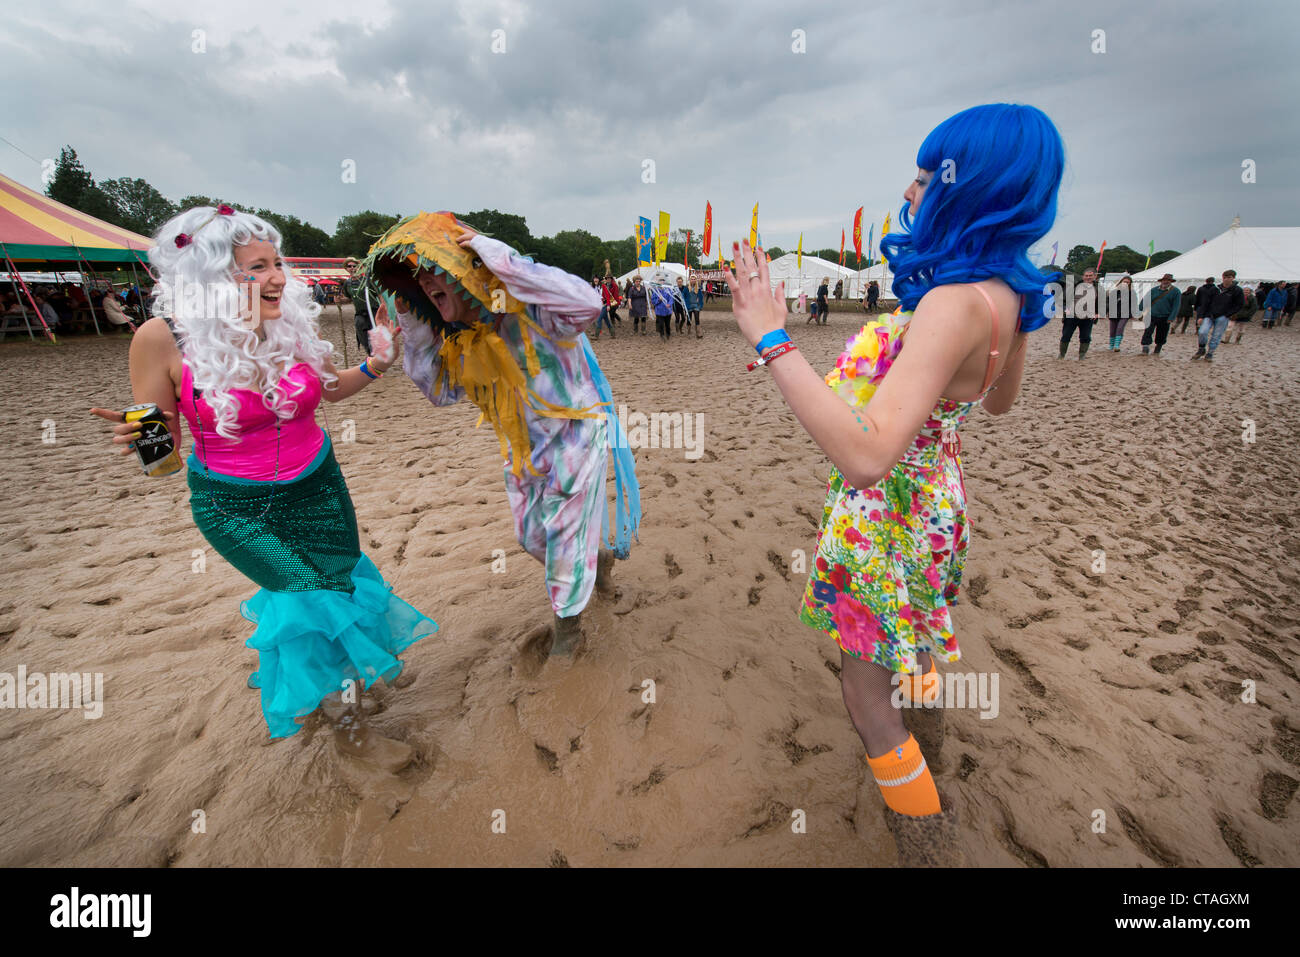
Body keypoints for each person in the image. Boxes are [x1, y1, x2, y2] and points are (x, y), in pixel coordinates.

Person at [728, 103, 1062, 866]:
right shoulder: (1006, 292)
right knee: (910, 635)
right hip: (942, 499)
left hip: (892, 511)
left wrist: (771, 338)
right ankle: (932, 742)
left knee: (863, 695)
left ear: (967, 188)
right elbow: (999, 400)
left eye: (924, 178)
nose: (910, 192)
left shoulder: (949, 304)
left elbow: (866, 456)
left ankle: (926, 840)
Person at [89, 206, 436, 769]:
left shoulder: (288, 324)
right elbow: (165, 461)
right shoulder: (161, 339)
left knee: (341, 587)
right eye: (257, 267)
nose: (278, 276)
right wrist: (146, 443)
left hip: (320, 486)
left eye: (277, 263)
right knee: (306, 603)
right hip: (236, 509)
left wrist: (376, 364)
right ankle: (350, 735)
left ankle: (347, 690)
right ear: (210, 278)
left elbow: (326, 391)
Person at [361, 212, 640, 653]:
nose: (427, 282)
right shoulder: (462, 339)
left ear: (466, 269)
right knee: (531, 538)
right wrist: (412, 327)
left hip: (577, 440)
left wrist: (498, 256)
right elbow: (440, 392)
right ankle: (598, 559)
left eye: (434, 269)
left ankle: (569, 637)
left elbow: (587, 304)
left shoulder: (535, 312)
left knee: (566, 544)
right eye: (418, 280)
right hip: (523, 450)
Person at [1192, 270, 1244, 362]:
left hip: (1223, 316)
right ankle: (1201, 348)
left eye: (1229, 277)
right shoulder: (1215, 289)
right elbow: (1205, 303)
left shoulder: (1237, 290)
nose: (1227, 279)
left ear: (1233, 278)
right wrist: (1200, 316)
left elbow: (1239, 305)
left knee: (1216, 335)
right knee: (1202, 331)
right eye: (1225, 277)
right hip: (1209, 314)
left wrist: (1228, 314)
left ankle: (1210, 353)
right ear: (1222, 277)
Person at [1059, 266, 1102, 359]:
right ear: (1083, 277)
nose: (1088, 277)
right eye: (1086, 275)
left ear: (1095, 277)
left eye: (1090, 275)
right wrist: (1065, 309)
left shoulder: (1099, 288)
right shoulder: (1075, 286)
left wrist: (1098, 313)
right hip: (1072, 316)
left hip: (1088, 317)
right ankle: (1062, 354)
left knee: (1085, 337)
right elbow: (1064, 299)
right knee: (1066, 335)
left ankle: (1082, 355)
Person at [1140, 273, 1180, 355]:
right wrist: (1140, 309)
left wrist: (1171, 317)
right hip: (1151, 314)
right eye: (1164, 280)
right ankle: (1145, 347)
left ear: (1171, 281)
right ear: (1161, 281)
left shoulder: (1176, 291)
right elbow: (1145, 299)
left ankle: (1158, 347)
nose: (1166, 282)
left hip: (1165, 316)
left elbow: (1176, 305)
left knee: (1162, 333)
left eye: (1168, 280)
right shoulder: (1154, 290)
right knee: (1148, 331)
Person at [1106, 275, 1136, 351]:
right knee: (1112, 331)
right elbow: (1108, 303)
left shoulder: (1132, 293)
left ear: (1130, 284)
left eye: (1127, 282)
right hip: (1114, 313)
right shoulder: (1114, 292)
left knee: (1119, 328)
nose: (1125, 283)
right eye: (1124, 282)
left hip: (1125, 314)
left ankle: (1116, 346)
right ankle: (1111, 346)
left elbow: (1133, 304)